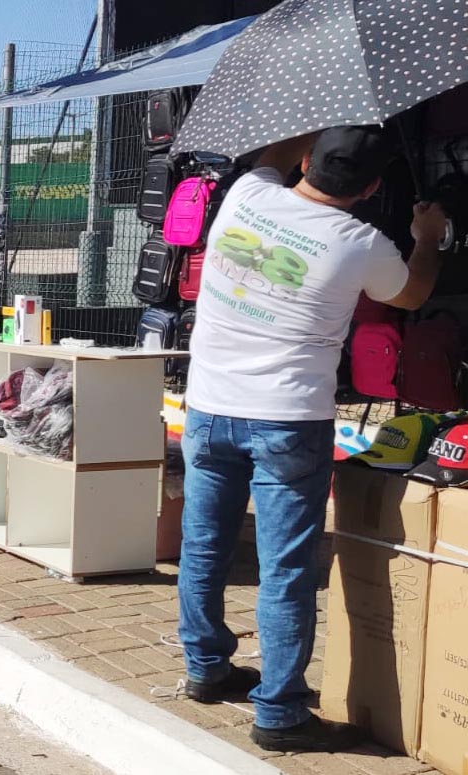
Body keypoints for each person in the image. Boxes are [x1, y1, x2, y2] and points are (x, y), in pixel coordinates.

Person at [179, 127, 448, 754]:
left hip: (209, 409)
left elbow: (266, 158)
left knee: (204, 546)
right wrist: (428, 238)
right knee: (287, 568)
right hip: (287, 418)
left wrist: (310, 120)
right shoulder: (361, 243)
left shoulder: (247, 193)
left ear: (305, 160)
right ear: (375, 187)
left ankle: (206, 669)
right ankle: (278, 713)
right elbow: (413, 291)